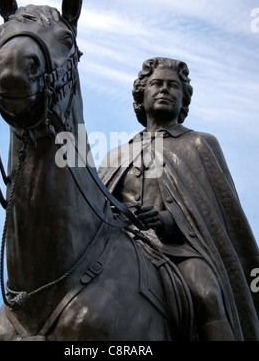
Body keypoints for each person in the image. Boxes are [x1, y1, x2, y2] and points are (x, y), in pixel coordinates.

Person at [98, 57, 259, 341]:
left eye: (173, 86)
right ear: (141, 94)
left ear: (183, 99)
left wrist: (165, 220)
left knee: (206, 293)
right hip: (120, 249)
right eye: (157, 84)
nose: (165, 90)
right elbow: (95, 209)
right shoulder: (115, 155)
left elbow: (214, 214)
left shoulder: (199, 144)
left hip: (178, 250)